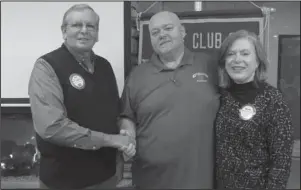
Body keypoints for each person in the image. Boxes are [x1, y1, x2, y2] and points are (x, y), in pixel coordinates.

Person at [28, 4, 135, 189]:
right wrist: (111, 140)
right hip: (64, 181)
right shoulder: (46, 66)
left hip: (107, 177)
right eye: (77, 25)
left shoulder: (105, 66)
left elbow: (112, 114)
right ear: (64, 31)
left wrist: (125, 134)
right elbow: (52, 127)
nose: (84, 31)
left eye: (91, 26)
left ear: (97, 33)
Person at [119, 11, 220, 188]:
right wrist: (127, 133)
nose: (162, 35)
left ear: (182, 32)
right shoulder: (137, 75)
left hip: (201, 178)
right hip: (150, 178)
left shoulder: (209, 65)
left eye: (168, 28)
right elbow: (127, 116)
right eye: (155, 32)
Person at [214, 30, 294, 189]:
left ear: (258, 61)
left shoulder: (273, 100)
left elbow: (281, 161)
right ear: (224, 61)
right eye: (230, 54)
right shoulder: (218, 97)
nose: (237, 60)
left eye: (245, 53)